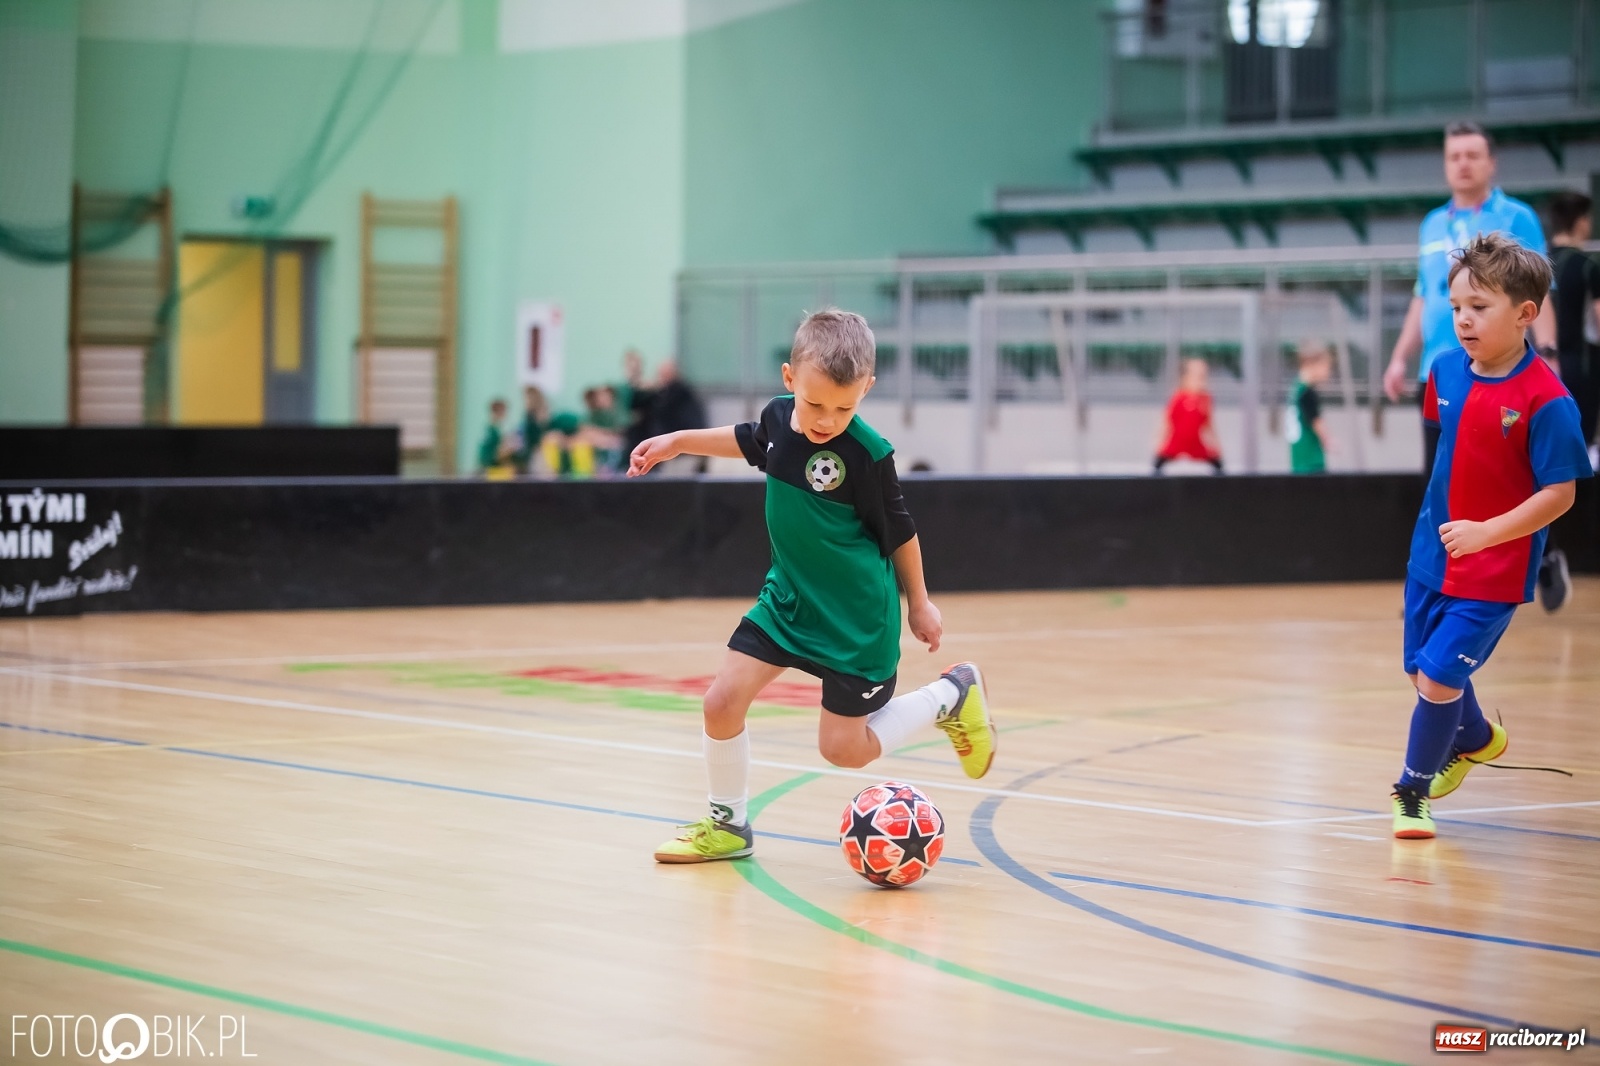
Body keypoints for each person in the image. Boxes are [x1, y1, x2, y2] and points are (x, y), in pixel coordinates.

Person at [628, 308, 997, 863]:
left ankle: (951, 695)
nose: (827, 419)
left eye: (845, 407)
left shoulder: (869, 456)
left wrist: (919, 603)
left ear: (867, 388)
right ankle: (728, 826)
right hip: (788, 602)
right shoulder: (780, 419)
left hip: (855, 620)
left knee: (843, 749)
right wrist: (677, 441)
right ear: (788, 380)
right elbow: (749, 440)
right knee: (721, 702)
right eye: (814, 403)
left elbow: (901, 533)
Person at [1388, 234, 1592, 840]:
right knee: (1422, 671)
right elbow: (1450, 453)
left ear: (1526, 313)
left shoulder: (1549, 401)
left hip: (1494, 570)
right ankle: (1477, 739)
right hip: (1431, 556)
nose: (1463, 319)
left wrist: (1486, 535)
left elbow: (1561, 495)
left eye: (1479, 307)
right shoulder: (1444, 370)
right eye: (1455, 308)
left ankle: (1412, 791)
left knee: (1439, 679)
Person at [1380, 122, 1568, 609]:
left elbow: (1538, 293)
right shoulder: (1431, 225)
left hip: (1506, 373)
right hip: (1444, 372)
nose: (1462, 163)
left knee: (1515, 474)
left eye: (1472, 155)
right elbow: (1425, 297)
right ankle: (1437, 576)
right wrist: (1401, 357)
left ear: (1491, 163)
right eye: (1453, 156)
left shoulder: (1517, 216)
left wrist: (1548, 355)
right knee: (1441, 474)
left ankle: (1540, 559)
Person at [1546, 190, 1600, 461]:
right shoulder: (1588, 267)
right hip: (1581, 366)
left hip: (1540, 365)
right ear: (1581, 221)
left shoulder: (1535, 265)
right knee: (1581, 445)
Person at [1152, 357, 1223, 474]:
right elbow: (1167, 421)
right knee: (1158, 464)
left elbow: (1209, 424)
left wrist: (1216, 444)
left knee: (1217, 463)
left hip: (1195, 444)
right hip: (1177, 443)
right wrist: (1159, 441)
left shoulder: (1205, 399)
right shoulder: (1178, 397)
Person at [1286, 344, 1331, 474]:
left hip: (1298, 458)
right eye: (1325, 367)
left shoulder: (1295, 389)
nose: (1327, 372)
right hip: (1311, 460)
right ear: (1312, 364)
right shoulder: (1306, 392)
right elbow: (1316, 421)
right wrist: (1327, 440)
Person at [477, 398, 518, 479]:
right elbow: (496, 454)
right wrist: (510, 449)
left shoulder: (493, 430)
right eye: (503, 411)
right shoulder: (491, 432)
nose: (505, 414)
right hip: (490, 470)